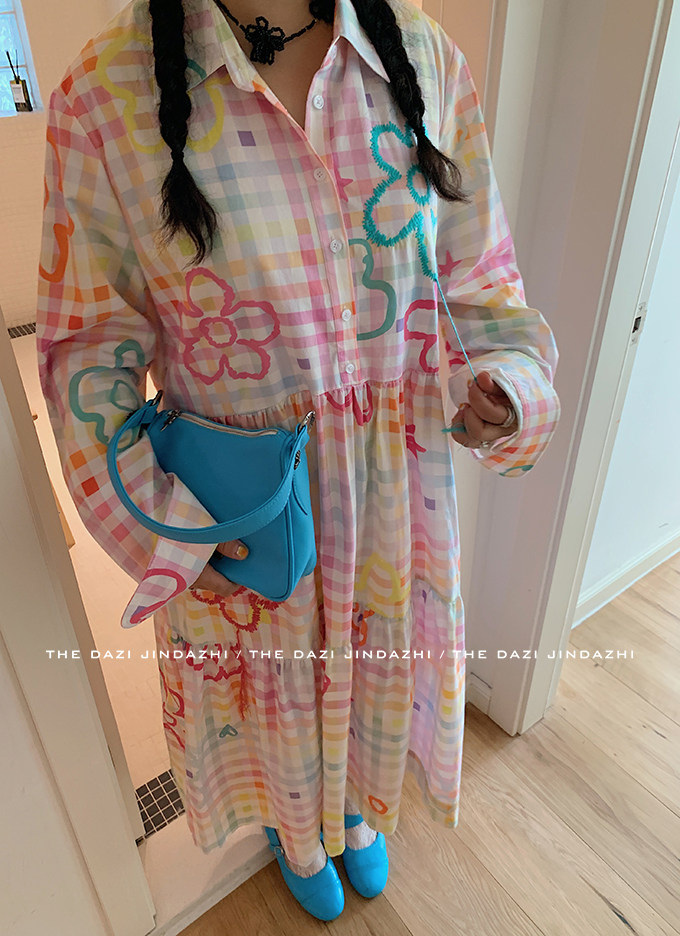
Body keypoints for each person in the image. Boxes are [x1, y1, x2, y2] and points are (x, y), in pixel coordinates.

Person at [35, 0, 561, 921]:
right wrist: (172, 534)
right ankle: (297, 829)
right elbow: (86, 358)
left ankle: (351, 812)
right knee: (278, 710)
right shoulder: (105, 97)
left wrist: (509, 388)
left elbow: (483, 282)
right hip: (250, 524)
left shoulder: (423, 59)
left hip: (393, 515)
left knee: (366, 687)